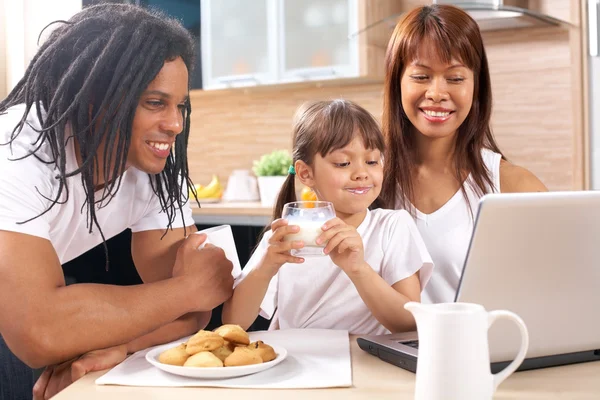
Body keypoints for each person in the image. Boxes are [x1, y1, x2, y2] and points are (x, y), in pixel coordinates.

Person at [0, 4, 234, 399]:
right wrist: (193, 286)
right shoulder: (15, 152)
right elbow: (38, 330)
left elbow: (191, 314)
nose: (175, 124)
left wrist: (124, 345)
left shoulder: (153, 166)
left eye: (180, 106)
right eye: (155, 103)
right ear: (96, 98)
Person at [378, 5, 548, 305]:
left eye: (455, 78)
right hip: (373, 353)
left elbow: (550, 292)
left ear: (475, 86)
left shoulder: (514, 186)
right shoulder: (366, 179)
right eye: (421, 76)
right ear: (397, 82)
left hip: (479, 351)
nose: (437, 93)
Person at [222, 99, 433, 335]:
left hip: (364, 365)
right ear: (306, 173)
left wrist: (359, 270)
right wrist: (265, 267)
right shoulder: (285, 237)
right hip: (297, 363)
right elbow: (233, 324)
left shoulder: (393, 226)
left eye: (372, 161)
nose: (362, 173)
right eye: (343, 163)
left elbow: (409, 323)